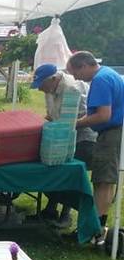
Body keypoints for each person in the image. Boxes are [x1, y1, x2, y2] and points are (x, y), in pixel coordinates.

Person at [67, 51, 124, 246]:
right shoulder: (109, 73)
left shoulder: (100, 80)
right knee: (104, 181)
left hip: (111, 132)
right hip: (114, 132)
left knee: (103, 180)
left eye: (76, 73)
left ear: (84, 65)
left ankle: (94, 230)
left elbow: (103, 115)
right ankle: (96, 228)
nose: (76, 78)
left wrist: (75, 123)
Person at [31, 63, 97, 226]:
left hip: (81, 138)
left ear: (53, 79)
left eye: (42, 85)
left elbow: (67, 125)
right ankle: (50, 210)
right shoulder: (50, 88)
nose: (40, 89)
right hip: (60, 134)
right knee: (53, 172)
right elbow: (52, 115)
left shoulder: (71, 89)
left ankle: (66, 215)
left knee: (68, 174)